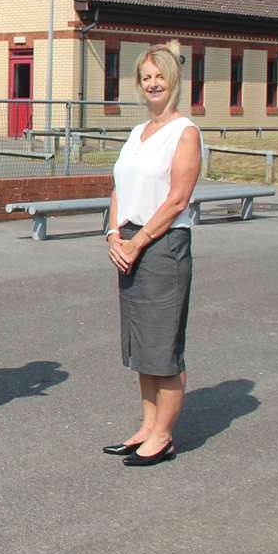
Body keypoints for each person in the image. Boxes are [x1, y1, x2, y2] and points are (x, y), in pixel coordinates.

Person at [103, 40, 202, 468]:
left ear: (173, 79)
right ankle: (146, 425)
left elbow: (178, 200)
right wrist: (112, 233)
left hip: (161, 246)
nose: (153, 84)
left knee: (163, 345)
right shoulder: (137, 133)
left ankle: (163, 436)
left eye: (159, 76)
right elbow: (119, 188)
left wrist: (138, 241)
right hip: (128, 240)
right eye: (146, 78)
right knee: (141, 343)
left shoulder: (185, 133)